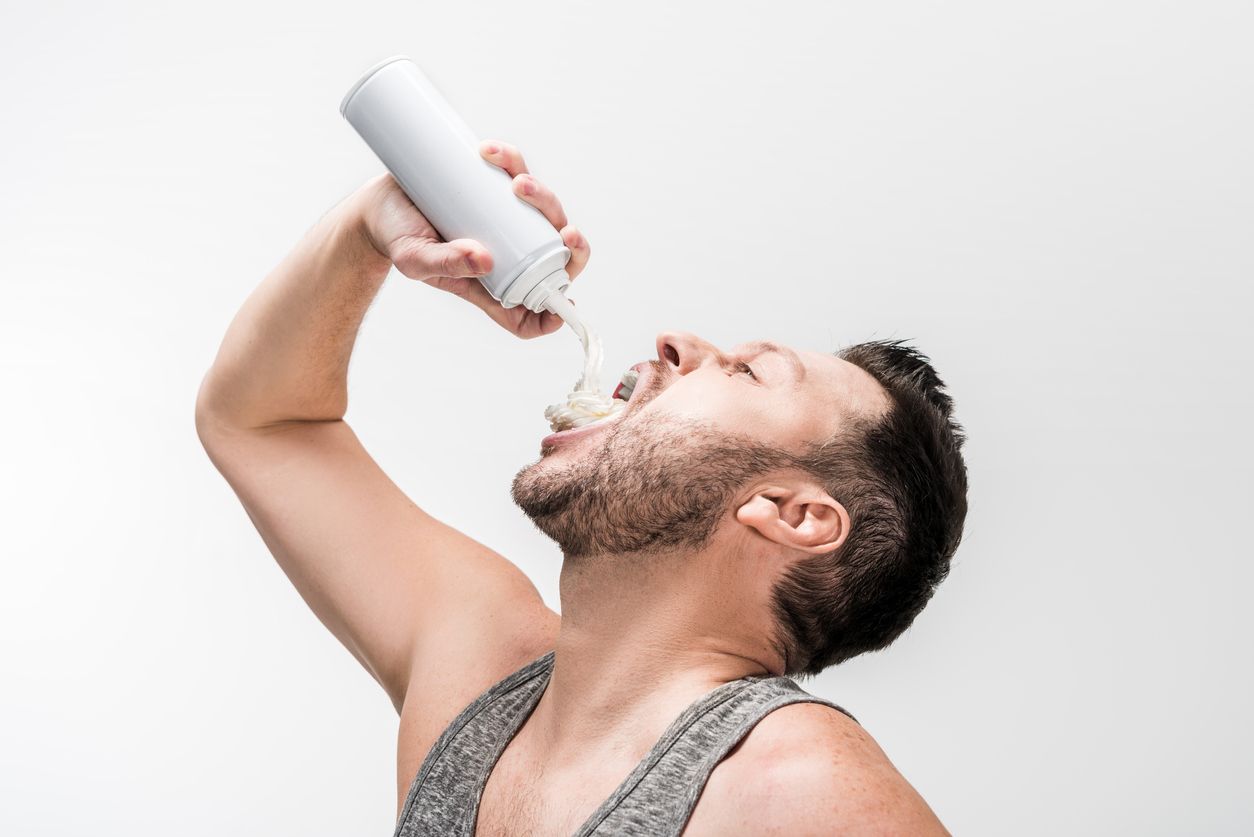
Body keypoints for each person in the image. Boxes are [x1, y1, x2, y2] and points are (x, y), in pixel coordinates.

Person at [195, 139, 968, 836]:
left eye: (746, 371)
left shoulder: (801, 784)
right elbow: (260, 421)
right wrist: (374, 223)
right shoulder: (475, 666)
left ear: (793, 514)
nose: (677, 341)